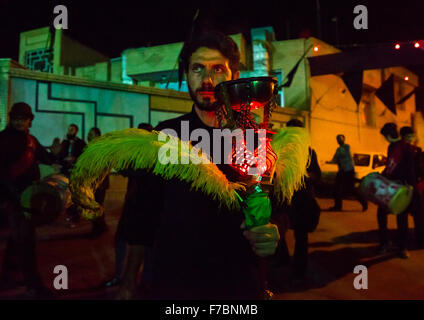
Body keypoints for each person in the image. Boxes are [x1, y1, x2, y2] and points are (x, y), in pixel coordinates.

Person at [117, 30, 283, 300]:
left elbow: (278, 206)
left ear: (234, 77)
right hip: (176, 285)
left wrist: (273, 233)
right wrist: (128, 282)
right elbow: (142, 216)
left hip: (240, 284)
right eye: (197, 69)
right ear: (186, 76)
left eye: (218, 69)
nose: (207, 80)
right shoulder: (165, 136)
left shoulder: (256, 139)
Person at [0, 102, 54, 298]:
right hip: (14, 199)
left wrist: (57, 156)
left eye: (23, 118)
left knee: (18, 239)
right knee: (26, 241)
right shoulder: (3, 140)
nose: (19, 122)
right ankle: (34, 285)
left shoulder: (32, 140)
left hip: (28, 197)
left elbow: (47, 158)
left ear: (30, 121)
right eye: (16, 118)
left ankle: (6, 275)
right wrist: (14, 197)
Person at [104, 123, 154, 289]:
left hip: (146, 204)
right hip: (133, 202)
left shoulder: (153, 153)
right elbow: (125, 169)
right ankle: (121, 275)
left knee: (145, 243)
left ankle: (142, 279)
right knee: (122, 239)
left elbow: (140, 172)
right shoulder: (135, 150)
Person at [273, 119, 321, 287]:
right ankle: (283, 259)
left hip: (301, 200)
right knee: (279, 230)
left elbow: (316, 174)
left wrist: (301, 174)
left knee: (301, 236)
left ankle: (299, 270)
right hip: (283, 198)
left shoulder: (308, 152)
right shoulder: (279, 148)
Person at [377, 123, 416, 258]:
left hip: (401, 187)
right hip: (389, 185)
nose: (384, 139)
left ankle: (402, 247)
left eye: (384, 136)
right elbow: (390, 165)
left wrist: (410, 187)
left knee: (402, 218)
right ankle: (385, 243)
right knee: (382, 214)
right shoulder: (391, 147)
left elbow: (410, 170)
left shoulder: (406, 148)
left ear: (388, 135)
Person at [328, 134, 368, 211]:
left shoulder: (343, 148)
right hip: (346, 170)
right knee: (342, 188)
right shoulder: (344, 148)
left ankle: (363, 203)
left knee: (343, 188)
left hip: (346, 171)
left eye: (340, 139)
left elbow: (337, 157)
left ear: (341, 140)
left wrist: (331, 161)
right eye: (338, 139)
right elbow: (337, 159)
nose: (339, 140)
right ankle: (338, 206)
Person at [57, 124, 86, 227]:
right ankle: (69, 213)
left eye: (72, 129)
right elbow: (59, 155)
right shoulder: (64, 142)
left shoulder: (81, 143)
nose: (70, 131)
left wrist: (75, 159)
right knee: (67, 194)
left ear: (76, 131)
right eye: (69, 129)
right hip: (65, 171)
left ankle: (75, 215)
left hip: (76, 172)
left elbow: (84, 156)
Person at [87, 127, 109, 238]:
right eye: (89, 133)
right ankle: (101, 226)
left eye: (91, 134)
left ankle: (97, 229)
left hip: (99, 183)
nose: (89, 135)